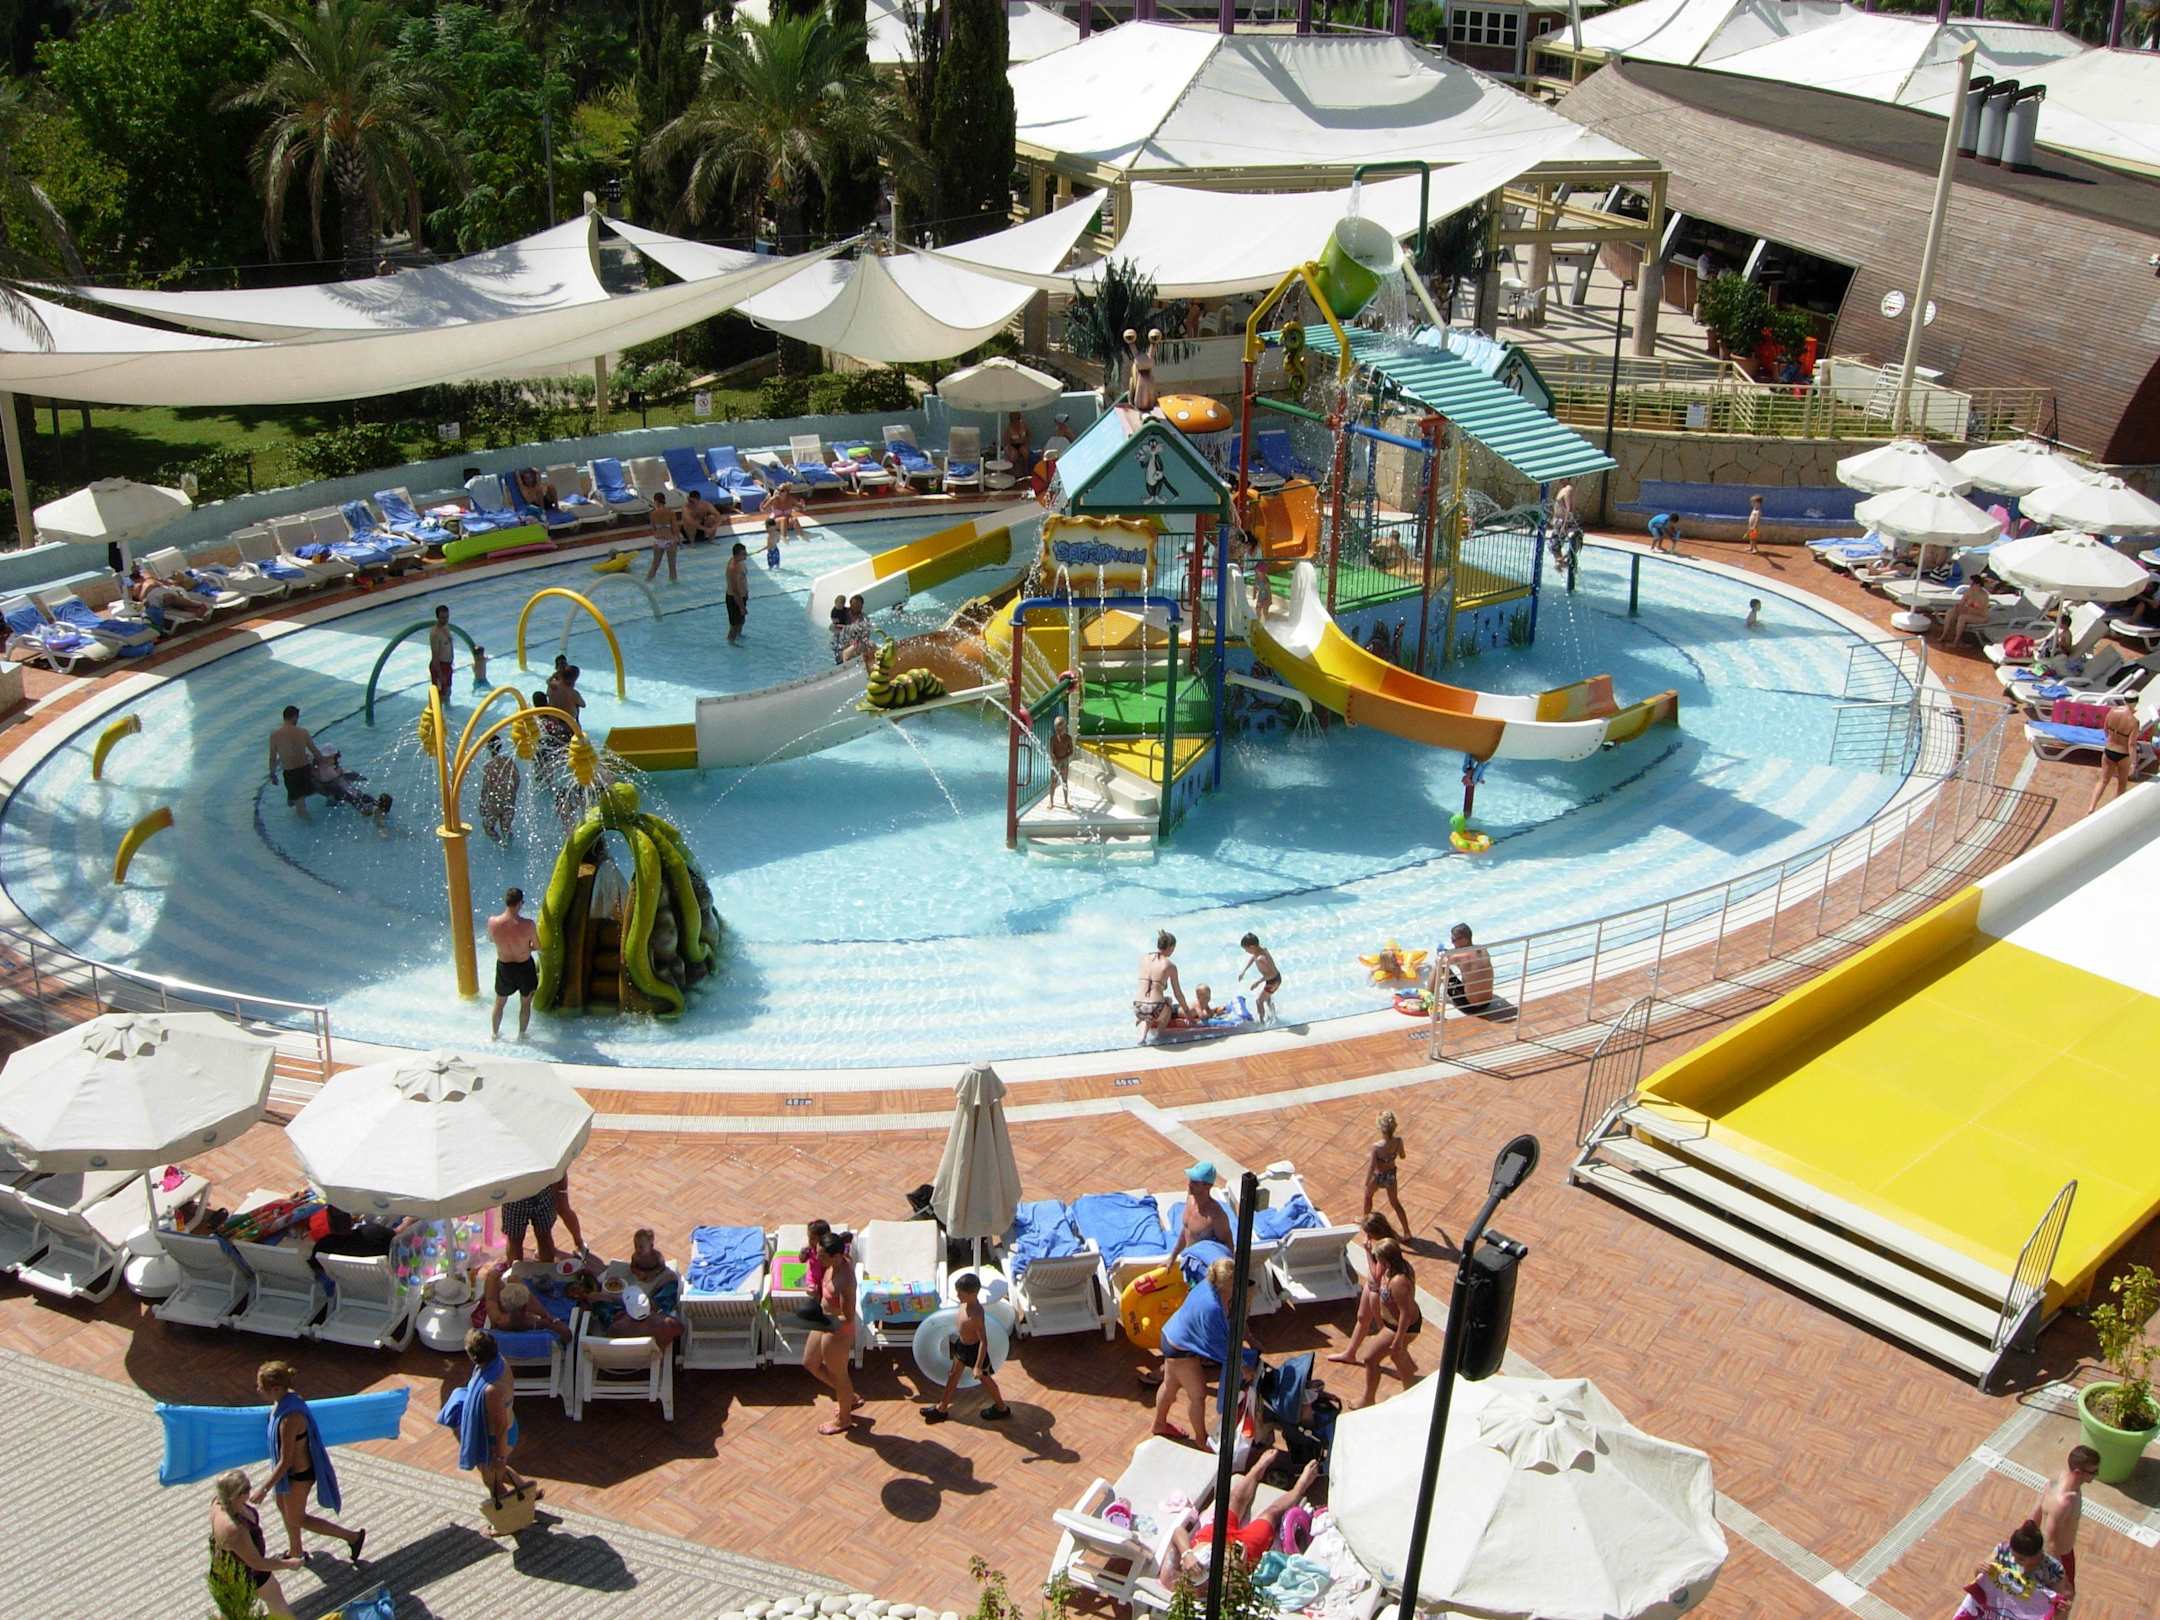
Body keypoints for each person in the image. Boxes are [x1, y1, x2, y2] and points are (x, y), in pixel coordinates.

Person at [252, 1361, 365, 1565]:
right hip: (288, 1475)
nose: (258, 1390)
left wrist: (263, 1489)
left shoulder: (290, 1418)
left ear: (276, 1389)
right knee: (283, 1507)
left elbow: (286, 1460)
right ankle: (296, 1551)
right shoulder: (285, 1399)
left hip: (299, 1475)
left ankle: (352, 1537)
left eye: (261, 1387)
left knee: (297, 1518)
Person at [1167, 1450, 1323, 1577]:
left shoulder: (1172, 1582)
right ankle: (1300, 1487)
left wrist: (1186, 1554)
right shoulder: (1207, 1598)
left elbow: (1178, 1532)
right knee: (1271, 1514)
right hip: (1240, 1554)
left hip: (1209, 1541)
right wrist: (1240, 1571)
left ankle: (1256, 1470)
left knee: (1235, 1499)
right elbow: (1245, 1594)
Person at [1152, 1256, 1257, 1442]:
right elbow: (1219, 1347)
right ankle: (1201, 1440)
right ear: (1228, 1283)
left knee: (1170, 1385)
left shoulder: (1209, 1285)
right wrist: (1243, 1367)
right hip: (1181, 1349)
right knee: (1198, 1395)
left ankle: (1159, 1424)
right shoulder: (1212, 1308)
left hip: (1171, 1335)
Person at [445, 1328, 539, 1515]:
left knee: (491, 1481)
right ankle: (526, 1490)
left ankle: (510, 1518)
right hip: (501, 1431)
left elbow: (500, 1426)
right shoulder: (499, 1362)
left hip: (496, 1439)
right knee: (493, 1470)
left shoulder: (492, 1390)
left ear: (474, 1357)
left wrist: (500, 1456)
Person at [209, 1471, 303, 1620]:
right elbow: (257, 1563)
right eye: (247, 1488)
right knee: (237, 1615)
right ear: (236, 1495)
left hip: (236, 1567)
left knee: (275, 1600)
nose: (250, 1489)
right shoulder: (234, 1528)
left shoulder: (219, 1501)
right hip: (240, 1576)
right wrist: (289, 1564)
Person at [922, 1271, 1010, 1424]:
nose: (957, 1296)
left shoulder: (976, 1314)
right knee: (953, 1375)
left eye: (960, 1293)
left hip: (975, 1351)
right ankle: (941, 1409)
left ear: (972, 1294)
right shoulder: (964, 1304)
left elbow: (983, 1341)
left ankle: (1002, 1408)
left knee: (986, 1380)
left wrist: (978, 1366)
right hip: (962, 1346)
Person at [802, 1226, 859, 1435]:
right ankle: (849, 1397)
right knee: (810, 1362)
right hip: (824, 1322)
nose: (818, 1259)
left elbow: (848, 1316)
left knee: (839, 1375)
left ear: (836, 1256)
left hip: (837, 1331)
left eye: (822, 1256)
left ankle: (844, 1419)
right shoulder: (835, 1260)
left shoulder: (845, 1282)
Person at [1356, 1238, 1421, 1408]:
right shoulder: (1391, 1269)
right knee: (1398, 1357)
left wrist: (1398, 1340)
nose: (1377, 1261)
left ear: (1386, 1260)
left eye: (1378, 1258)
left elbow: (1405, 1314)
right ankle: (1413, 1393)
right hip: (1392, 1324)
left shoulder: (1399, 1281)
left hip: (1401, 1327)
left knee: (1370, 1358)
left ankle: (1368, 1399)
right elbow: (1376, 1277)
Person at [1954, 1521, 2065, 1619]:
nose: (2014, 1560)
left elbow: (2053, 1607)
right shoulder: (2002, 1551)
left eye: (2021, 1559)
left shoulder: (2054, 1571)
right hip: (1994, 1608)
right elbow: (1979, 1577)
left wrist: (2060, 1606)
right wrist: (1979, 1568)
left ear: (2037, 1554)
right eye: (2013, 1555)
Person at [1328, 1212, 1398, 1367]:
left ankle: (1398, 1357)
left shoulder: (1384, 1248)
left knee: (1382, 1328)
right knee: (1362, 1318)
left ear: (1374, 1233)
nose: (1366, 1236)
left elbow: (1377, 1275)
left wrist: (1367, 1251)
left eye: (1367, 1233)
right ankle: (1350, 1353)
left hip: (1377, 1292)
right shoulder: (1380, 1240)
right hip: (1370, 1286)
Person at [2028, 1445, 2098, 1597]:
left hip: (2058, 1554)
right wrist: (2062, 1578)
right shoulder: (2064, 1502)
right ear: (2078, 1472)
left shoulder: (2056, 1480)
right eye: (2093, 1472)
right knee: (2064, 1599)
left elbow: (2035, 1514)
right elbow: (2050, 1541)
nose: (2096, 1475)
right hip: (2058, 1557)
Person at [487, 887, 539, 1040]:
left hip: (504, 966)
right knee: (525, 1003)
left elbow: (491, 940)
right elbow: (537, 946)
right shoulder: (528, 924)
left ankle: (494, 1034)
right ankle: (521, 1035)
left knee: (499, 1002)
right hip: (524, 966)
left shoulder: (493, 922)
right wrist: (525, 947)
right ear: (520, 903)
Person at [267, 706, 326, 821]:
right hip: (305, 770)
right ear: (295, 717)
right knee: (311, 790)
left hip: (291, 773)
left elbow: (272, 758)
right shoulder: (303, 732)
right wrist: (325, 765)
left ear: (284, 718)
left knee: (300, 808)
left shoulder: (274, 735)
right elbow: (314, 751)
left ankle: (310, 826)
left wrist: (272, 774)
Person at [2089, 699, 2147, 814]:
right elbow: (2131, 744)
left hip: (2109, 750)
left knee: (2103, 780)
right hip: (2123, 754)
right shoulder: (2134, 722)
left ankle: (2091, 807)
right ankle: (2115, 810)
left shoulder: (2112, 711)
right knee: (2122, 783)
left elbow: (2105, 731)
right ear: (2136, 703)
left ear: (2125, 700)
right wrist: (2134, 763)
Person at [1170, 1161, 1233, 1260]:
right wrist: (1172, 1257)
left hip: (1204, 1265)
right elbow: (1186, 1231)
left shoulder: (1216, 1215)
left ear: (1208, 1186)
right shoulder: (1190, 1199)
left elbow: (1228, 1247)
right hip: (1188, 1258)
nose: (1189, 1184)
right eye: (1190, 1179)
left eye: (1195, 1182)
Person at [1135, 929, 1190, 1037]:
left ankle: (1142, 1036)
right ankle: (1160, 1036)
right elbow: (1178, 994)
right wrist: (1187, 1012)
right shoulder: (1170, 966)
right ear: (1171, 947)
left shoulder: (1144, 958)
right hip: (1155, 1009)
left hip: (1138, 1007)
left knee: (1150, 1008)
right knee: (1167, 1009)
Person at [1364, 1109, 1409, 1233]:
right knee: (1395, 1203)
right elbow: (1403, 1156)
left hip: (1378, 1176)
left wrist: (1366, 1182)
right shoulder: (1398, 1141)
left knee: (1368, 1197)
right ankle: (1407, 1231)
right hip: (1391, 1176)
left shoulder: (1377, 1147)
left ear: (1380, 1128)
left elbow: (1372, 1166)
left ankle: (1367, 1227)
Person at [1435, 922, 1493, 1013]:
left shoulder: (1459, 957)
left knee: (1439, 965)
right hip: (1488, 1003)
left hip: (1469, 1006)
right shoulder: (1482, 949)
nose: (1452, 942)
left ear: (1464, 939)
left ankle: (1428, 995)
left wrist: (1440, 954)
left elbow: (1441, 960)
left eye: (1454, 940)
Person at [479, 736, 520, 845]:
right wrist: (513, 794)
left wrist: (482, 804)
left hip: (494, 802)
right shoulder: (509, 761)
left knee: (488, 827)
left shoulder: (488, 765)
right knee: (506, 828)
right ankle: (510, 846)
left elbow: (486, 787)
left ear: (488, 748)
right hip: (509, 799)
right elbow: (517, 779)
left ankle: (501, 844)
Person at [1238, 931, 1281, 1023]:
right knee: (1267, 999)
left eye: (1246, 949)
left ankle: (1262, 1022)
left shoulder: (1261, 958)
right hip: (1272, 979)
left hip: (1274, 980)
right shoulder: (1259, 951)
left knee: (1259, 1001)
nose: (1246, 951)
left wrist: (1258, 982)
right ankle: (1274, 1018)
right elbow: (1253, 958)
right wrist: (1244, 971)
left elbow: (1272, 973)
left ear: (1252, 947)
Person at [1940, 576, 1993, 648]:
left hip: (1981, 617)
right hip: (1969, 613)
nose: (1970, 585)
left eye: (1972, 584)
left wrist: (1968, 606)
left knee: (1962, 618)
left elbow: (1980, 610)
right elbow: (1962, 602)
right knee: (1950, 612)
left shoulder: (1984, 595)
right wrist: (1957, 608)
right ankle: (1944, 635)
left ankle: (1955, 642)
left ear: (1978, 585)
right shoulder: (1969, 591)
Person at [646, 491, 683, 583]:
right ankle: (674, 586)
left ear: (655, 501)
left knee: (655, 565)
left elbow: (653, 528)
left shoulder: (653, 514)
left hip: (658, 541)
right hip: (670, 540)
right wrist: (679, 539)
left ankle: (646, 583)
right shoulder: (670, 512)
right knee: (672, 566)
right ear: (664, 500)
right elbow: (675, 528)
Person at [837, 594, 877, 669]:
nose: (856, 608)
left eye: (858, 606)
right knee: (847, 653)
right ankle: (847, 669)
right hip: (844, 646)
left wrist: (859, 641)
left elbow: (866, 634)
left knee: (872, 644)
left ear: (862, 606)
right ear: (850, 605)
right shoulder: (844, 615)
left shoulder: (864, 618)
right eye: (854, 605)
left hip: (858, 643)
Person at [427, 604, 455, 703]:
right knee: (439, 696)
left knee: (447, 692)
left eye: (447, 617)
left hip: (447, 665)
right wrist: (440, 674)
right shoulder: (435, 634)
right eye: (442, 617)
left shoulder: (446, 627)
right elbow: (435, 656)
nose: (445, 620)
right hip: (439, 667)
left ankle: (447, 711)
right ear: (437, 617)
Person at [724, 542, 750, 644]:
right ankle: (731, 642)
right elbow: (735, 591)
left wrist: (746, 594)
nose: (746, 556)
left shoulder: (740, 562)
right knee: (734, 625)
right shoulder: (733, 568)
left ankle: (739, 636)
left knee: (741, 621)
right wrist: (742, 607)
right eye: (743, 554)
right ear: (737, 555)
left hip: (742, 597)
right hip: (734, 599)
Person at [1048, 715, 1075, 809]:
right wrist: (1054, 759)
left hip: (1064, 762)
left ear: (1064, 728)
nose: (1058, 732)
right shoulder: (1053, 738)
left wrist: (1063, 758)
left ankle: (1066, 801)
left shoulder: (1068, 738)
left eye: (1060, 729)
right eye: (1057, 730)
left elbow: (1071, 751)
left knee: (1064, 781)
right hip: (1055, 762)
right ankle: (1051, 801)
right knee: (1053, 782)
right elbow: (1051, 751)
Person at [1744, 493, 1764, 557]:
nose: (1752, 504)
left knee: (1754, 538)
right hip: (1751, 526)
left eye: (1753, 502)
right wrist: (1750, 526)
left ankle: (1755, 549)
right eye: (1752, 502)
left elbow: (1757, 520)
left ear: (1758, 503)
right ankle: (1751, 547)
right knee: (1751, 538)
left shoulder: (1758, 511)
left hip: (1754, 527)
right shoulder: (1754, 509)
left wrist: (1754, 527)